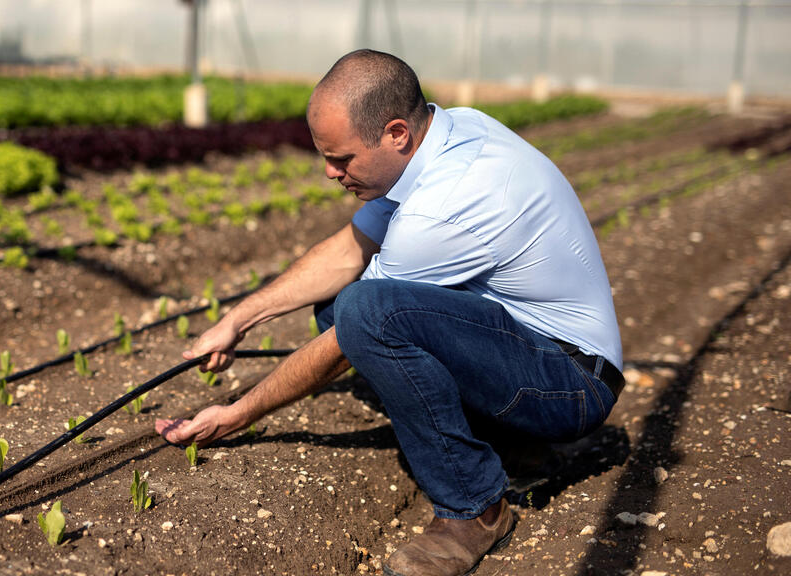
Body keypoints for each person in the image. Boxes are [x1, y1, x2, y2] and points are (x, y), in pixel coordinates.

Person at [155, 49, 624, 576]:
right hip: (523, 348)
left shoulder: (446, 205)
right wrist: (238, 319)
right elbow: (348, 250)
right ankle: (513, 445)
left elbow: (353, 332)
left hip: (568, 382)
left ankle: (475, 507)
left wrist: (240, 411)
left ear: (396, 132)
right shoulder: (447, 133)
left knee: (362, 312)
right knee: (342, 303)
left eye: (343, 159)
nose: (330, 173)